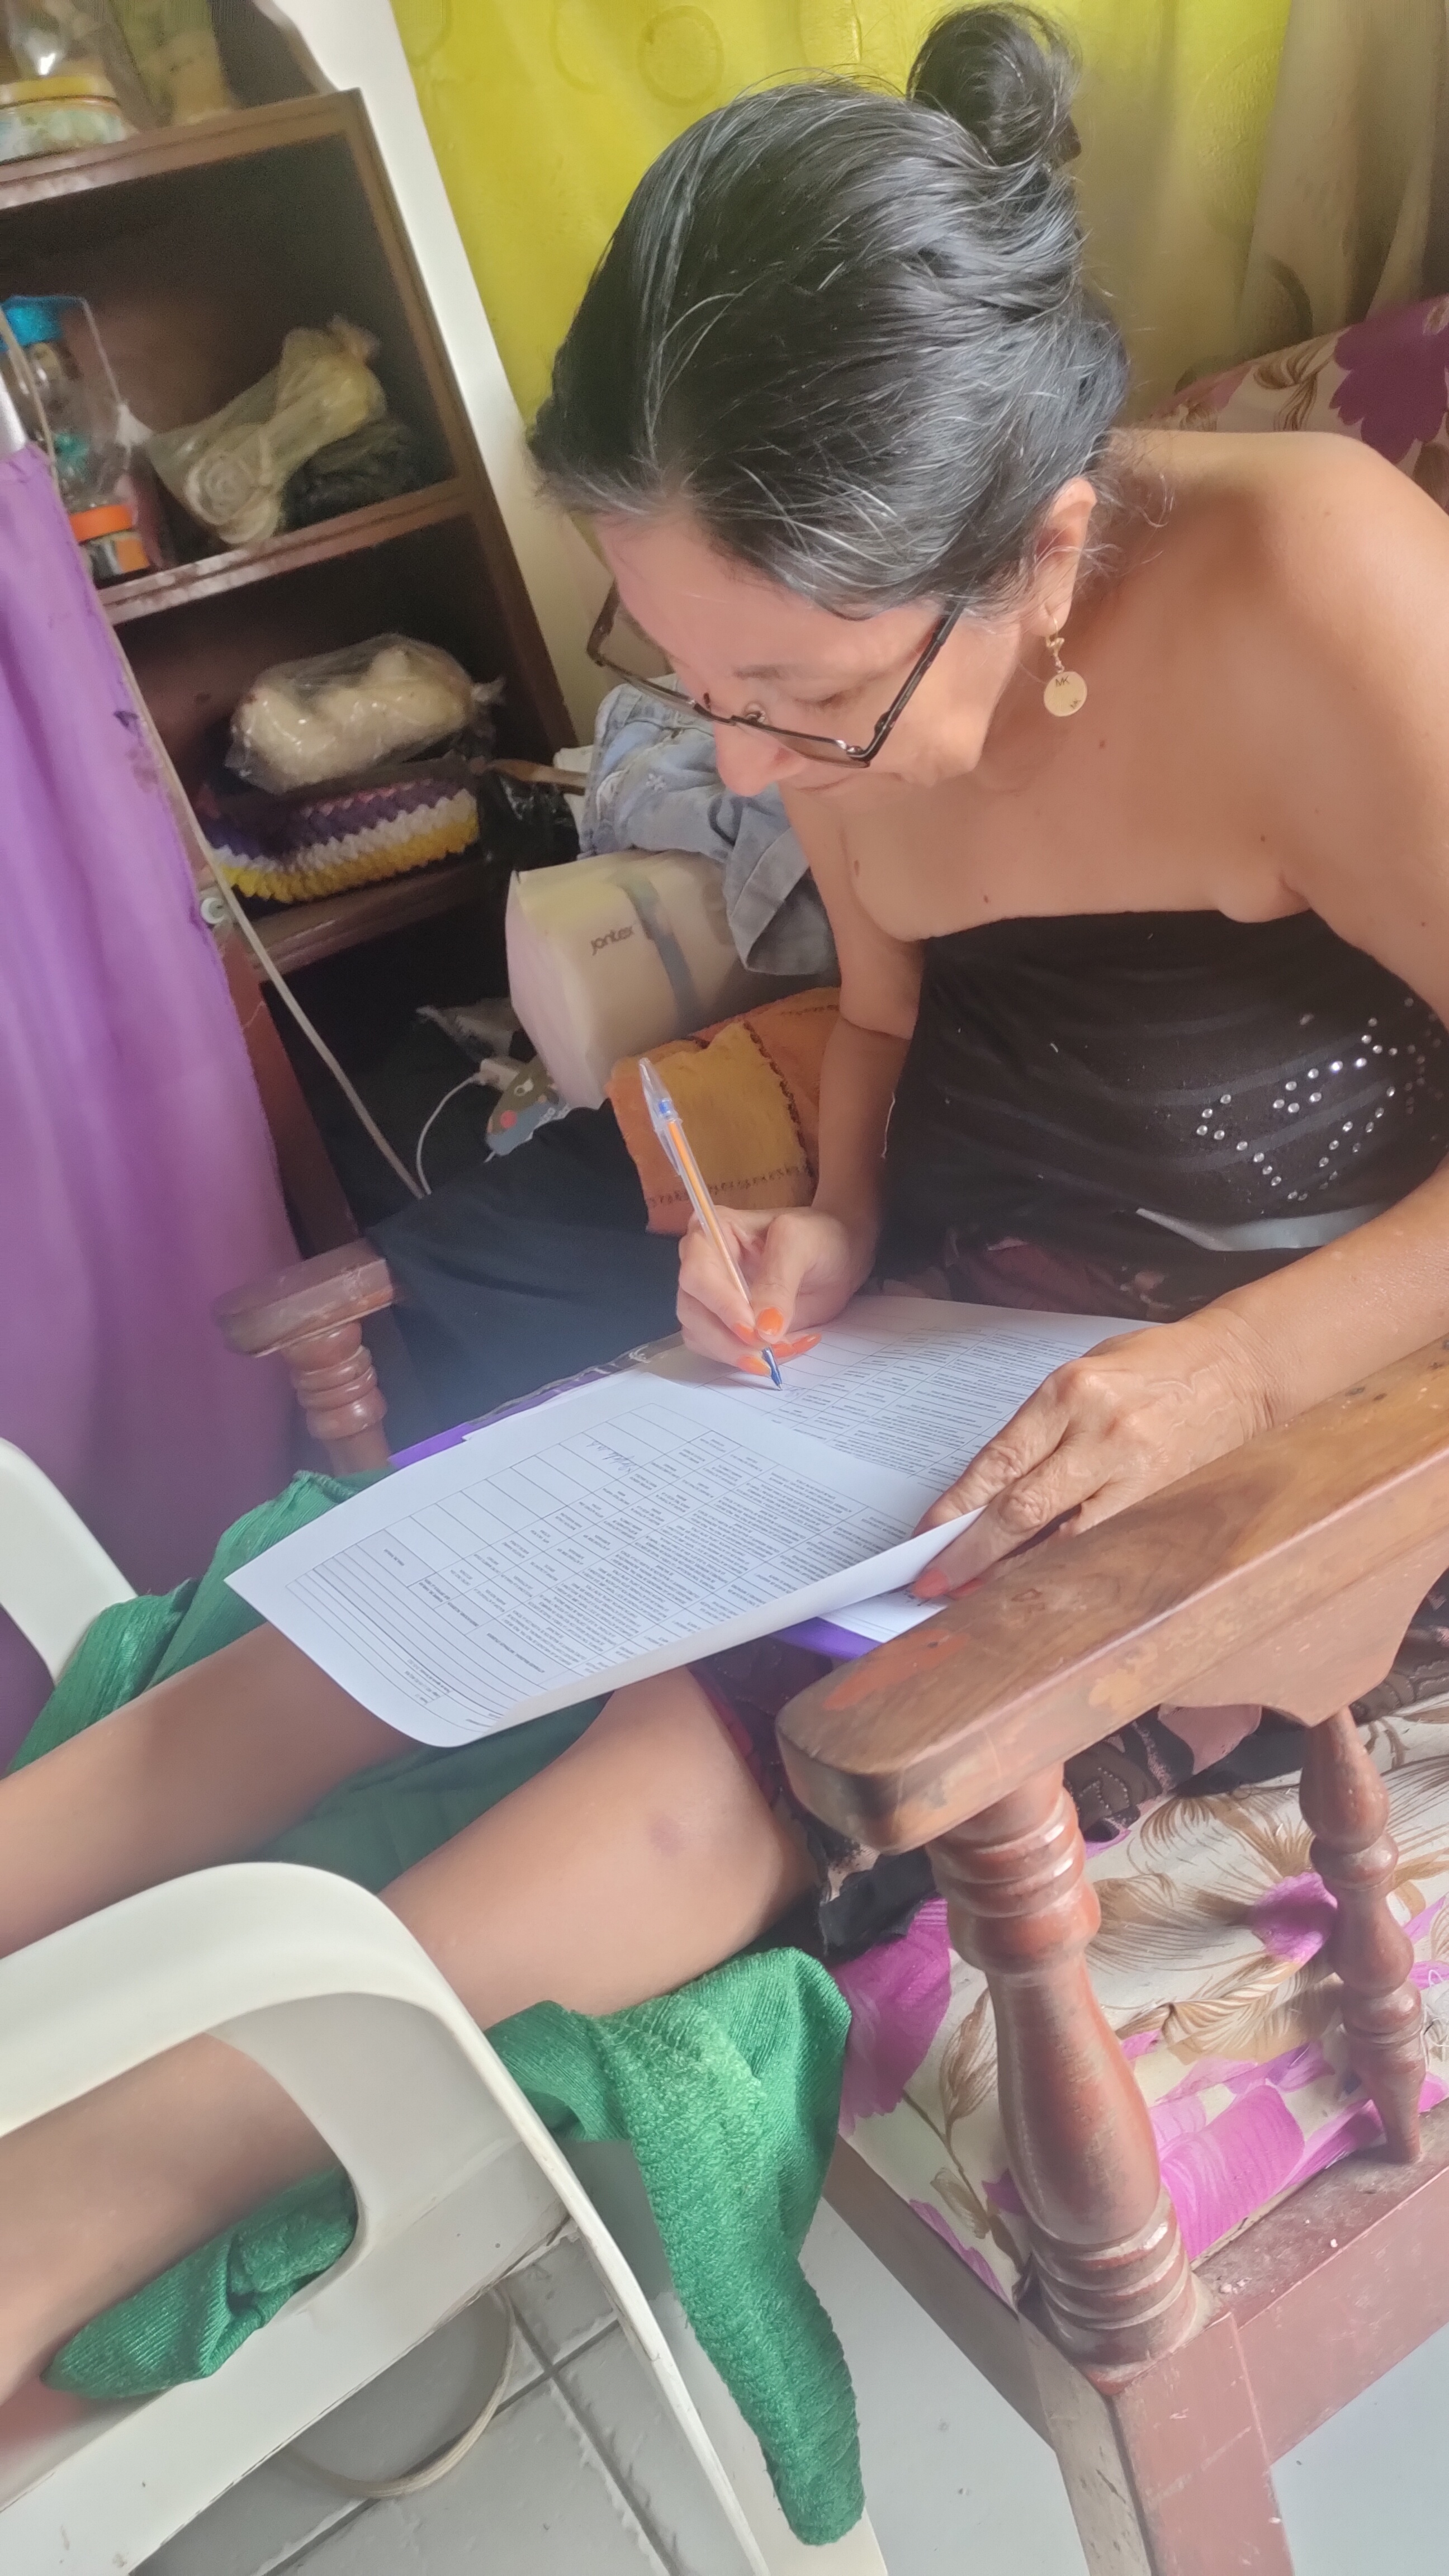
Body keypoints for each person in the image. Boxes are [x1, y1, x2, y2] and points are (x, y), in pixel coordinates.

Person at [6, 2, 1449, 2403]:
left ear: (1046, 548)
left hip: (1329, 1398)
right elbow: (880, 1019)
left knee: (695, 1766)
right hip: (963, 1347)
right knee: (382, 1613)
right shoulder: (840, 668)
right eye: (688, 679)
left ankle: (60, 2218)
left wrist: (1223, 1377)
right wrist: (831, 1225)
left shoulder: (1319, 587)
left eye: (794, 699)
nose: (751, 771)